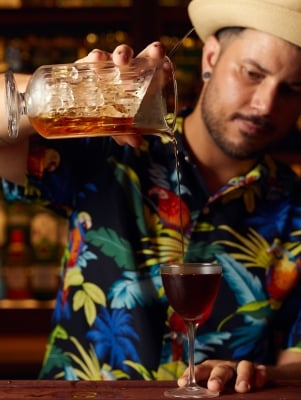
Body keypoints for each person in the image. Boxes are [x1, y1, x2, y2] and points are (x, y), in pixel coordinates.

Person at [1, 0, 301, 394]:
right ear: (210, 56)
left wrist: (265, 374)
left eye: (293, 89)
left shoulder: (295, 209)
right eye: (252, 73)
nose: (265, 104)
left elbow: (296, 361)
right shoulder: (112, 151)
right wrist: (72, 90)